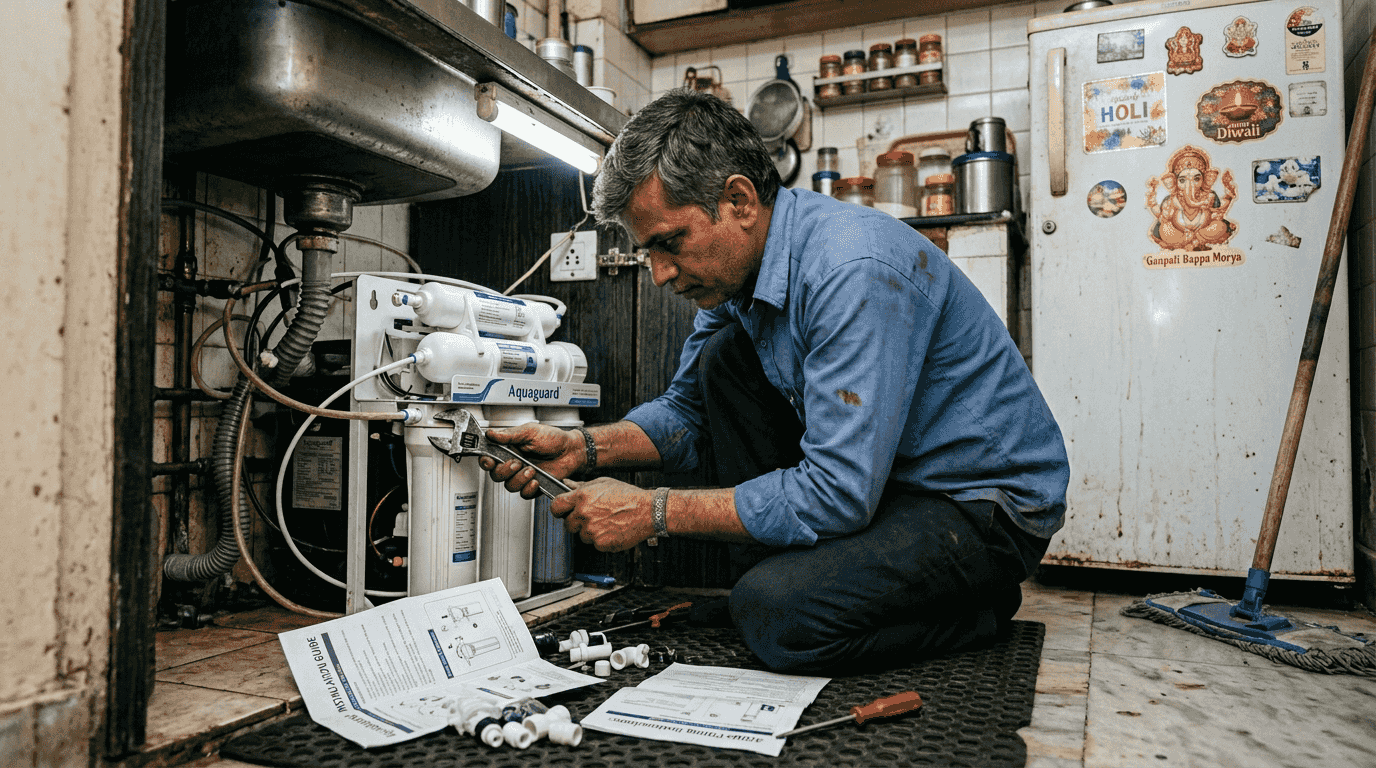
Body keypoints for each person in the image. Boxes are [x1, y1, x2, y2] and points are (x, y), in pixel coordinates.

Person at [479, 88, 1069, 673]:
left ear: (738, 200)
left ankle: (979, 606)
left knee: (778, 617)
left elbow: (837, 493)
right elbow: (688, 414)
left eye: (669, 243)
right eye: (647, 251)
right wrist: (582, 447)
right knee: (724, 360)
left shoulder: (849, 270)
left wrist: (652, 511)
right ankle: (788, 591)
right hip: (886, 486)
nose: (659, 274)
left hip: (979, 506)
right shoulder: (735, 280)